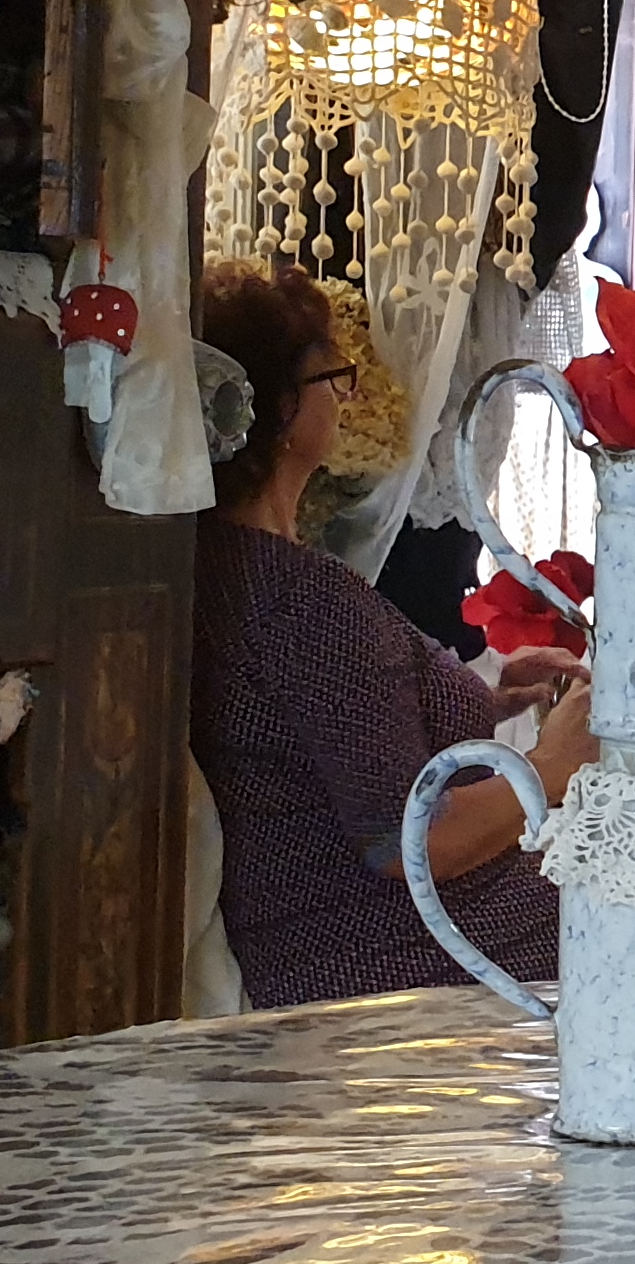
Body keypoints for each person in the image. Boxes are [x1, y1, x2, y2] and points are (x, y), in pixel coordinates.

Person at [190, 262, 593, 1008]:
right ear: (278, 409)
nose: (346, 398)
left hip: (336, 947)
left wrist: (487, 698)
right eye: (332, 377)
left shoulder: (220, 566)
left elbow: (323, 740)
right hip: (392, 965)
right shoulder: (298, 601)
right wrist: (551, 764)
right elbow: (410, 843)